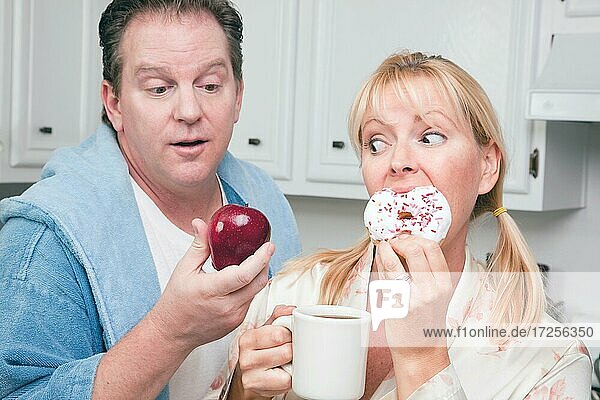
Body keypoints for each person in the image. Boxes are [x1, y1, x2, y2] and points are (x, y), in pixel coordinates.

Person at [214, 51, 592, 399]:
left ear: (487, 166)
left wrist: (424, 360)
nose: (398, 162)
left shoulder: (550, 360)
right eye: (377, 143)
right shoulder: (293, 294)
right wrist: (243, 392)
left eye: (430, 137)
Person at [0, 0, 301, 399]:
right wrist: (170, 332)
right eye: (159, 88)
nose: (190, 111)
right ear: (115, 104)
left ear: (238, 95)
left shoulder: (266, 200)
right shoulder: (44, 237)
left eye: (210, 85)